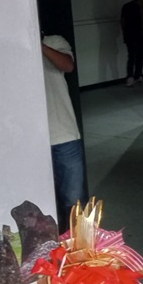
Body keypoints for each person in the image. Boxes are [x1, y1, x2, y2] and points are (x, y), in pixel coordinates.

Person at [41, 32, 88, 220]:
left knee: (74, 201)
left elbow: (67, 65)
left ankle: (79, 247)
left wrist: (38, 44)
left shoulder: (54, 41)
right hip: (29, 140)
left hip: (63, 135)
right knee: (38, 204)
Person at [121, 0, 143, 87]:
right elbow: (123, 20)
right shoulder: (127, 7)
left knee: (140, 55)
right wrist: (124, 33)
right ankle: (130, 76)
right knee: (132, 56)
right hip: (131, 35)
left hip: (141, 34)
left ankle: (138, 75)